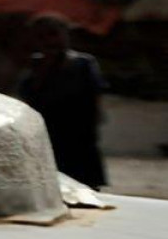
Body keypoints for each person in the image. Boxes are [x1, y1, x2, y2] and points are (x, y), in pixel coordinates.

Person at [16, 15, 107, 189]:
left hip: (79, 136)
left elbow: (94, 97)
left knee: (86, 187)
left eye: (53, 34)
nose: (49, 41)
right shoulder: (34, 67)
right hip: (48, 136)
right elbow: (27, 97)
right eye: (41, 36)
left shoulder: (82, 64)